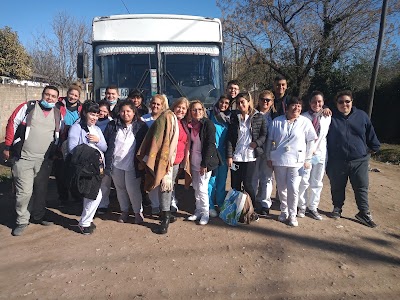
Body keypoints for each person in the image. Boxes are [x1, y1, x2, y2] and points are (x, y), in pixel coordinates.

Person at [4, 86, 62, 236]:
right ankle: (22, 220)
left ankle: (38, 215)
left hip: (44, 160)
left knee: (41, 190)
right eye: (47, 95)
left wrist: (54, 153)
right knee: (24, 192)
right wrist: (8, 146)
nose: (50, 98)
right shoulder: (28, 107)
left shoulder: (57, 113)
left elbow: (57, 135)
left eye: (53, 96)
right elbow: (12, 123)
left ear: (57, 99)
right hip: (24, 158)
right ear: (42, 95)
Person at [137, 97, 191, 234]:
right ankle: (165, 218)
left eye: (184, 108)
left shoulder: (183, 122)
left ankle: (166, 212)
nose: (181, 110)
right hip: (166, 160)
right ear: (174, 106)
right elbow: (157, 137)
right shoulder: (167, 117)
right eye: (179, 107)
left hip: (177, 161)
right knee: (165, 188)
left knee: (170, 186)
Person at [326, 90, 380, 228]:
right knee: (337, 186)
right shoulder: (330, 117)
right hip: (337, 160)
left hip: (359, 160)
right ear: (336, 104)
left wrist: (374, 147)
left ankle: (364, 213)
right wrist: (324, 110)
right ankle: (337, 208)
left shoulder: (361, 116)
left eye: (347, 101)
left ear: (352, 102)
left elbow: (370, 132)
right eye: (341, 102)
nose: (344, 104)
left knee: (361, 187)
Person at [266, 96, 317, 227]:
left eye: (299, 106)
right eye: (294, 105)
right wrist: (269, 157)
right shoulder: (277, 121)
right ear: (287, 107)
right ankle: (284, 212)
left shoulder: (305, 122)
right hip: (279, 160)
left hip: (297, 161)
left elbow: (311, 141)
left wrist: (308, 158)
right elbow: (269, 141)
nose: (297, 108)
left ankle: (293, 214)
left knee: (293, 189)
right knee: (282, 188)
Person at [103, 100, 148, 224]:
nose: (125, 114)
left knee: (133, 189)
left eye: (128, 111)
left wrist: (142, 161)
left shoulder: (141, 126)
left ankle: (138, 212)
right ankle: (124, 211)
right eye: (123, 111)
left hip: (132, 164)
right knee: (120, 188)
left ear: (134, 112)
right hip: (116, 163)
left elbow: (146, 145)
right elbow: (106, 142)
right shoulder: (112, 125)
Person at [67, 100, 107, 235]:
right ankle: (84, 223)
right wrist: (89, 152)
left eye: (97, 115)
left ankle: (87, 220)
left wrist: (98, 141)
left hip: (97, 168)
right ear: (84, 113)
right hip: (85, 169)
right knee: (95, 195)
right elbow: (72, 149)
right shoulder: (77, 128)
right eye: (92, 114)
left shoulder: (97, 129)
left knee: (90, 195)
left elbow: (105, 147)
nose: (95, 118)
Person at [226, 92, 266, 211]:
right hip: (236, 156)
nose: (240, 105)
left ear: (249, 102)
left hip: (250, 157)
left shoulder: (259, 117)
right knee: (235, 185)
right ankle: (235, 210)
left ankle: (252, 209)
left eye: (243, 102)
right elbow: (230, 138)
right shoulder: (234, 117)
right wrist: (229, 156)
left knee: (248, 184)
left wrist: (257, 143)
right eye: (238, 103)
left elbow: (264, 135)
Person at [298, 91, 331, 220]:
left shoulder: (327, 117)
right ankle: (302, 206)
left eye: (319, 102)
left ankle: (313, 207)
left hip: (320, 154)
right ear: (309, 103)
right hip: (306, 154)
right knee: (304, 181)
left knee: (317, 182)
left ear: (323, 103)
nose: (316, 104)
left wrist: (326, 109)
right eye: (314, 101)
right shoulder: (304, 117)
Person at [186, 100, 221, 225]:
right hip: (194, 160)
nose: (197, 112)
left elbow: (210, 145)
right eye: (194, 110)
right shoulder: (190, 125)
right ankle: (198, 210)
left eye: (199, 109)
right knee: (195, 187)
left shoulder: (208, 124)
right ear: (191, 111)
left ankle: (205, 213)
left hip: (205, 161)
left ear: (203, 110)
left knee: (202, 188)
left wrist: (204, 164)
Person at [54, 84, 83, 206]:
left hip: (75, 142)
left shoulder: (81, 108)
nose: (73, 97)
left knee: (74, 170)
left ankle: (76, 196)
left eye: (76, 95)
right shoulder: (58, 105)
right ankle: (63, 197)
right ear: (67, 93)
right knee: (60, 171)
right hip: (60, 141)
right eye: (71, 94)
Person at [141, 94, 170, 215]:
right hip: (148, 154)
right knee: (151, 178)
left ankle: (166, 205)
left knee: (163, 179)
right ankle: (155, 205)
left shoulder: (166, 119)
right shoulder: (143, 119)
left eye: (158, 104)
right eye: (153, 103)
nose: (155, 106)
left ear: (163, 106)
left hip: (163, 154)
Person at [252, 90, 278, 216]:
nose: (265, 102)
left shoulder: (276, 116)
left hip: (270, 150)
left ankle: (265, 204)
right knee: (253, 177)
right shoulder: (253, 114)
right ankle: (253, 201)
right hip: (255, 150)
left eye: (268, 100)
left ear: (272, 102)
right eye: (263, 99)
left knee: (267, 178)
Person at [207, 95, 231, 217]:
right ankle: (210, 205)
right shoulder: (210, 114)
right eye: (222, 102)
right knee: (212, 180)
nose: (223, 105)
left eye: (226, 103)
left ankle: (220, 203)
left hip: (224, 152)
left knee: (222, 180)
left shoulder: (230, 118)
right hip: (212, 152)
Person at [96, 100, 114, 215]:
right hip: (92, 156)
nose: (101, 113)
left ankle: (103, 204)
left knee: (105, 182)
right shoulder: (92, 120)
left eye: (104, 111)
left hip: (105, 155)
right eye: (99, 111)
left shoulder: (111, 123)